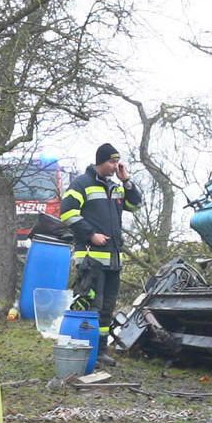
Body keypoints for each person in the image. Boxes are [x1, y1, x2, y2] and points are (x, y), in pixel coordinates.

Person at [60, 143, 143, 366]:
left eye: (117, 162)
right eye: (111, 162)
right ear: (100, 161)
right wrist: (91, 234)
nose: (115, 166)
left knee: (107, 308)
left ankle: (100, 350)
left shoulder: (116, 187)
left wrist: (126, 181)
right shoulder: (81, 184)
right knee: (91, 306)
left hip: (114, 259)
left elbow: (135, 205)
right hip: (91, 258)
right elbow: (67, 213)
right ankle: (84, 350)